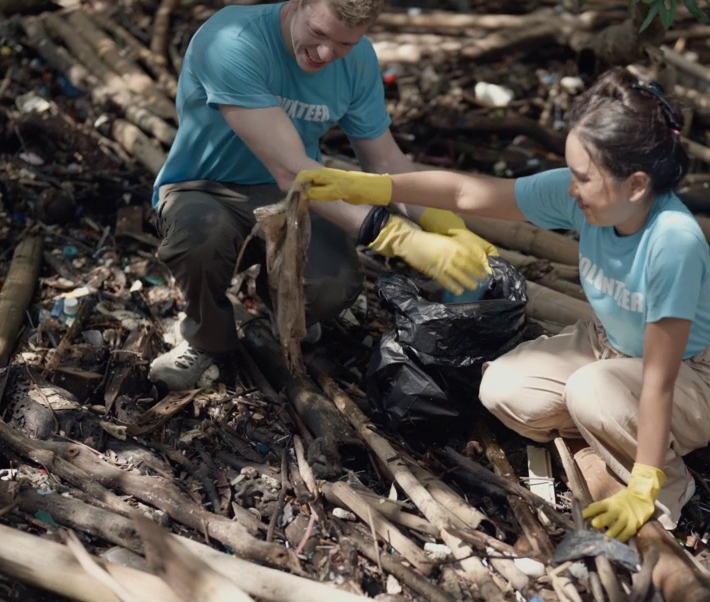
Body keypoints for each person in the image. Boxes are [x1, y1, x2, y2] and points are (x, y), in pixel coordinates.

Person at [296, 68, 710, 541]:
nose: (571, 188)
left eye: (583, 177)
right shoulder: (590, 198)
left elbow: (658, 379)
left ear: (635, 185)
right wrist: (374, 187)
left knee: (592, 391)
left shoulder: (673, 243)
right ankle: (604, 431)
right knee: (503, 390)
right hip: (608, 349)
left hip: (695, 376)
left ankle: (668, 485)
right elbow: (469, 193)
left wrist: (645, 481)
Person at [149, 0, 494, 391]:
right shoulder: (232, 40)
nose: (327, 53)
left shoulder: (358, 61)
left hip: (300, 197)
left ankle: (277, 308)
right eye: (318, 33)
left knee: (334, 286)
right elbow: (289, 169)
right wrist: (400, 238)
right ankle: (206, 338)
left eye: (345, 43)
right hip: (207, 186)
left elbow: (385, 159)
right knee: (199, 239)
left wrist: (439, 221)